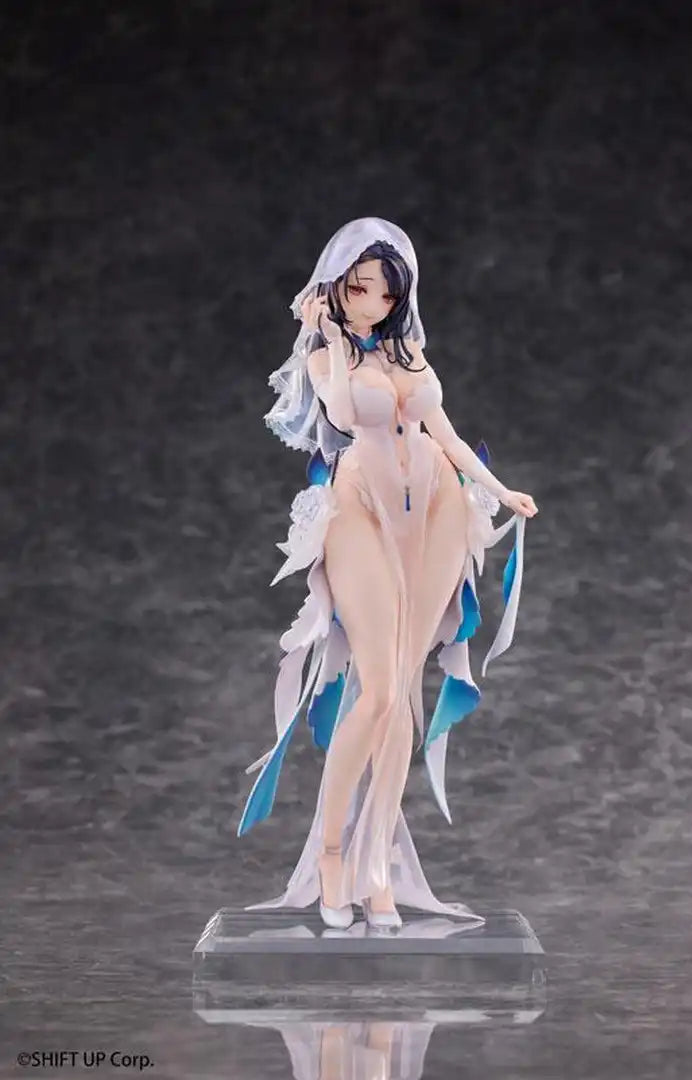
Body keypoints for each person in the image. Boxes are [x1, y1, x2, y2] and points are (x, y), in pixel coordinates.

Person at [237, 217, 538, 929]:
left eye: (384, 292)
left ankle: (375, 863)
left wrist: (500, 491)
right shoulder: (327, 358)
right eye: (357, 288)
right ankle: (331, 855)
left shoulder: (410, 355)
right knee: (375, 693)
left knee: (402, 692)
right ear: (333, 287)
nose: (370, 302)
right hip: (361, 510)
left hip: (434, 510)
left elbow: (447, 434)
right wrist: (330, 336)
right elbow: (343, 414)